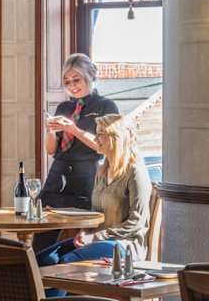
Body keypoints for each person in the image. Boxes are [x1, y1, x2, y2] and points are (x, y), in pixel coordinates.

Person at [37, 114, 152, 268]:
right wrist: (85, 231)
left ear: (117, 137)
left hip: (125, 245)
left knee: (66, 262)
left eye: (101, 134)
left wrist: (96, 236)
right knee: (43, 260)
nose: (96, 139)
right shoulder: (102, 171)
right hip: (96, 239)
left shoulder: (135, 172)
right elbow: (95, 212)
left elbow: (136, 223)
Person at [40, 53, 119, 210]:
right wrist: (50, 130)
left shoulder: (106, 106)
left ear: (90, 76)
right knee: (40, 223)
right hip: (57, 174)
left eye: (76, 80)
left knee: (83, 223)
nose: (72, 86)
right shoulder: (63, 107)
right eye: (67, 82)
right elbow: (50, 150)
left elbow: (105, 148)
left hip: (87, 176)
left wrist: (73, 129)